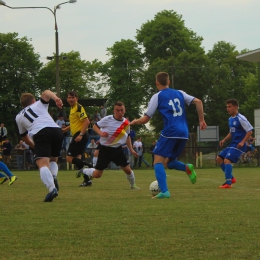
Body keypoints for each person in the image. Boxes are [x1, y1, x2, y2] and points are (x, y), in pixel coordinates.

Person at [131, 72, 207, 199]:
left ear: (156, 83)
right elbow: (198, 102)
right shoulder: (180, 93)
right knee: (169, 162)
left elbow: (145, 119)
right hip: (184, 133)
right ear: (169, 82)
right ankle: (186, 168)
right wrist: (201, 120)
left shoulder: (157, 96)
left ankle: (165, 191)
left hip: (170, 131)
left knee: (157, 162)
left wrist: (134, 121)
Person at [76, 101, 140, 190]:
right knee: (97, 175)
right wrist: (101, 133)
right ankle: (83, 170)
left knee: (128, 170)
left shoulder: (126, 123)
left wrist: (132, 150)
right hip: (105, 150)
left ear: (124, 111)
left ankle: (133, 185)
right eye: (117, 110)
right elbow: (95, 126)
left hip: (118, 150)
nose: (120, 112)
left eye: (122, 110)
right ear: (114, 111)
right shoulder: (107, 119)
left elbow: (128, 137)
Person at [15, 90, 63, 202]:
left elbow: (25, 138)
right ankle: (54, 175)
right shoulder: (39, 104)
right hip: (56, 131)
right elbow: (46, 92)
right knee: (53, 159)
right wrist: (56, 99)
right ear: (33, 100)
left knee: (42, 164)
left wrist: (35, 146)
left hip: (40, 132)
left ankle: (52, 189)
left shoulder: (18, 117)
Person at [216, 99, 253, 188]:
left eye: (230, 107)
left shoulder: (241, 118)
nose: (227, 109)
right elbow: (231, 132)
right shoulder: (230, 119)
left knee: (227, 160)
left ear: (235, 107)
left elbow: (250, 131)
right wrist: (224, 140)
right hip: (233, 144)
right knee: (219, 159)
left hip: (239, 145)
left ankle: (228, 183)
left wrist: (243, 142)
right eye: (227, 107)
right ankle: (231, 178)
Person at [62, 91, 92, 187]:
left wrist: (81, 135)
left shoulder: (78, 107)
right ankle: (87, 180)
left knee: (69, 158)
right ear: (67, 99)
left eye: (73, 97)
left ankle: (90, 167)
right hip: (79, 134)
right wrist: (64, 130)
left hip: (80, 135)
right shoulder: (72, 109)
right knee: (78, 159)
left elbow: (87, 121)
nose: (71, 99)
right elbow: (74, 124)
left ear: (76, 98)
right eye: (69, 97)